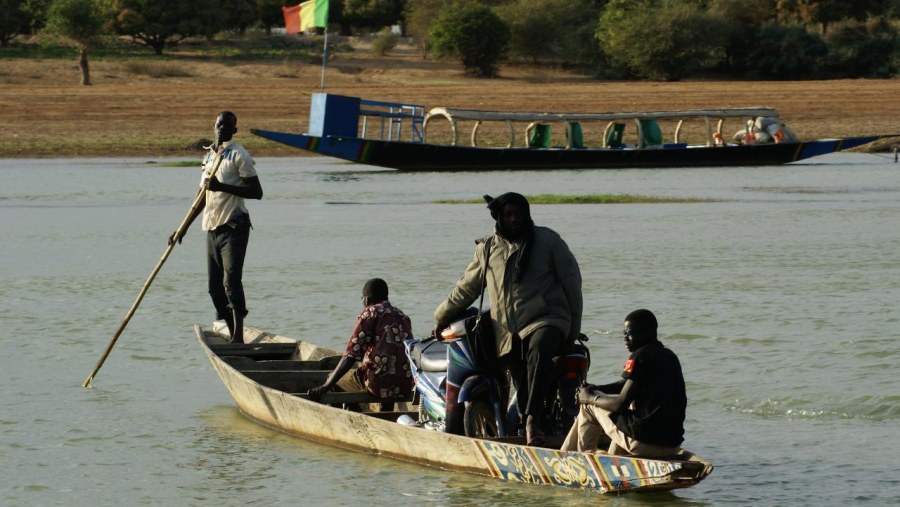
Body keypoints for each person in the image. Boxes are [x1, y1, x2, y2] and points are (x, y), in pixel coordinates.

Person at [434, 192, 582, 445]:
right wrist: (441, 315)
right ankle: (533, 424)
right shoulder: (488, 249)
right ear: (499, 218)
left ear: (527, 215)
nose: (514, 219)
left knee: (540, 346)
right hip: (508, 329)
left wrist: (572, 330)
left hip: (548, 318)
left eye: (519, 214)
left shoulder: (549, 242)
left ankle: (533, 419)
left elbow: (573, 285)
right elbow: (467, 288)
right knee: (521, 383)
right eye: (508, 215)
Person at [169, 111, 263, 344]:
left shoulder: (238, 155)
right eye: (218, 124)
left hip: (234, 225)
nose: (221, 128)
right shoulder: (209, 157)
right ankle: (233, 333)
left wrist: (222, 186)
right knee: (214, 287)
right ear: (214, 126)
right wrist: (183, 228)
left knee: (231, 280)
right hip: (212, 228)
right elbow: (202, 197)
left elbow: (256, 192)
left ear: (234, 130)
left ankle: (239, 336)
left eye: (227, 125)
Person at [561, 309, 686, 457]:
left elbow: (619, 404)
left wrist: (588, 397)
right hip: (671, 442)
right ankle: (613, 456)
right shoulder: (669, 356)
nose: (626, 338)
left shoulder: (640, 357)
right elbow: (625, 384)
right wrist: (596, 388)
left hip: (642, 442)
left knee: (588, 406)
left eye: (630, 333)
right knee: (627, 412)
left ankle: (584, 458)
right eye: (624, 333)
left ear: (647, 333)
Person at [307, 278, 414, 407]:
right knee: (388, 372)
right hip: (405, 384)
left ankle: (352, 416)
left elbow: (351, 355)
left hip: (379, 384)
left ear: (366, 299)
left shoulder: (370, 313)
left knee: (336, 380)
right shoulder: (401, 315)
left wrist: (325, 386)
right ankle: (386, 413)